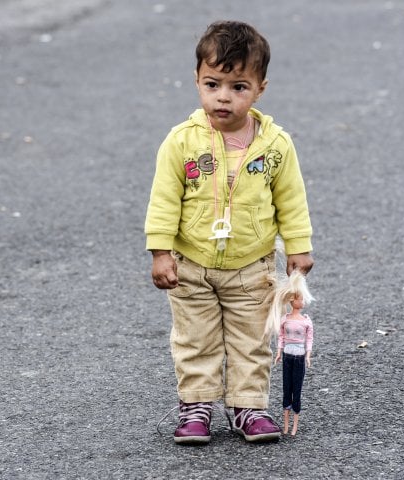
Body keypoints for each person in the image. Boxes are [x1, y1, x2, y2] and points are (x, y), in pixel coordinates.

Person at [145, 20, 314, 444]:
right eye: (212, 84)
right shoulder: (182, 142)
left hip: (252, 265)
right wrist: (160, 251)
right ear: (198, 82)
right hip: (191, 264)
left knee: (251, 340)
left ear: (260, 88)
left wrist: (298, 247)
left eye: (238, 86)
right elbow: (164, 198)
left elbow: (291, 199)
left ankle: (247, 407)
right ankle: (196, 405)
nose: (223, 96)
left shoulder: (275, 145)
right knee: (195, 338)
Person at [270, 271, 314, 436]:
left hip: (299, 356)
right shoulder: (285, 319)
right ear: (291, 300)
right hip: (288, 355)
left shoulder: (306, 321)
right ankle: (286, 425)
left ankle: (294, 425)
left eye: (302, 298)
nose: (301, 301)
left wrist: (308, 355)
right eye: (298, 298)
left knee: (297, 388)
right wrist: (279, 351)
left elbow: (309, 340)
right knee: (286, 388)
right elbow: (281, 336)